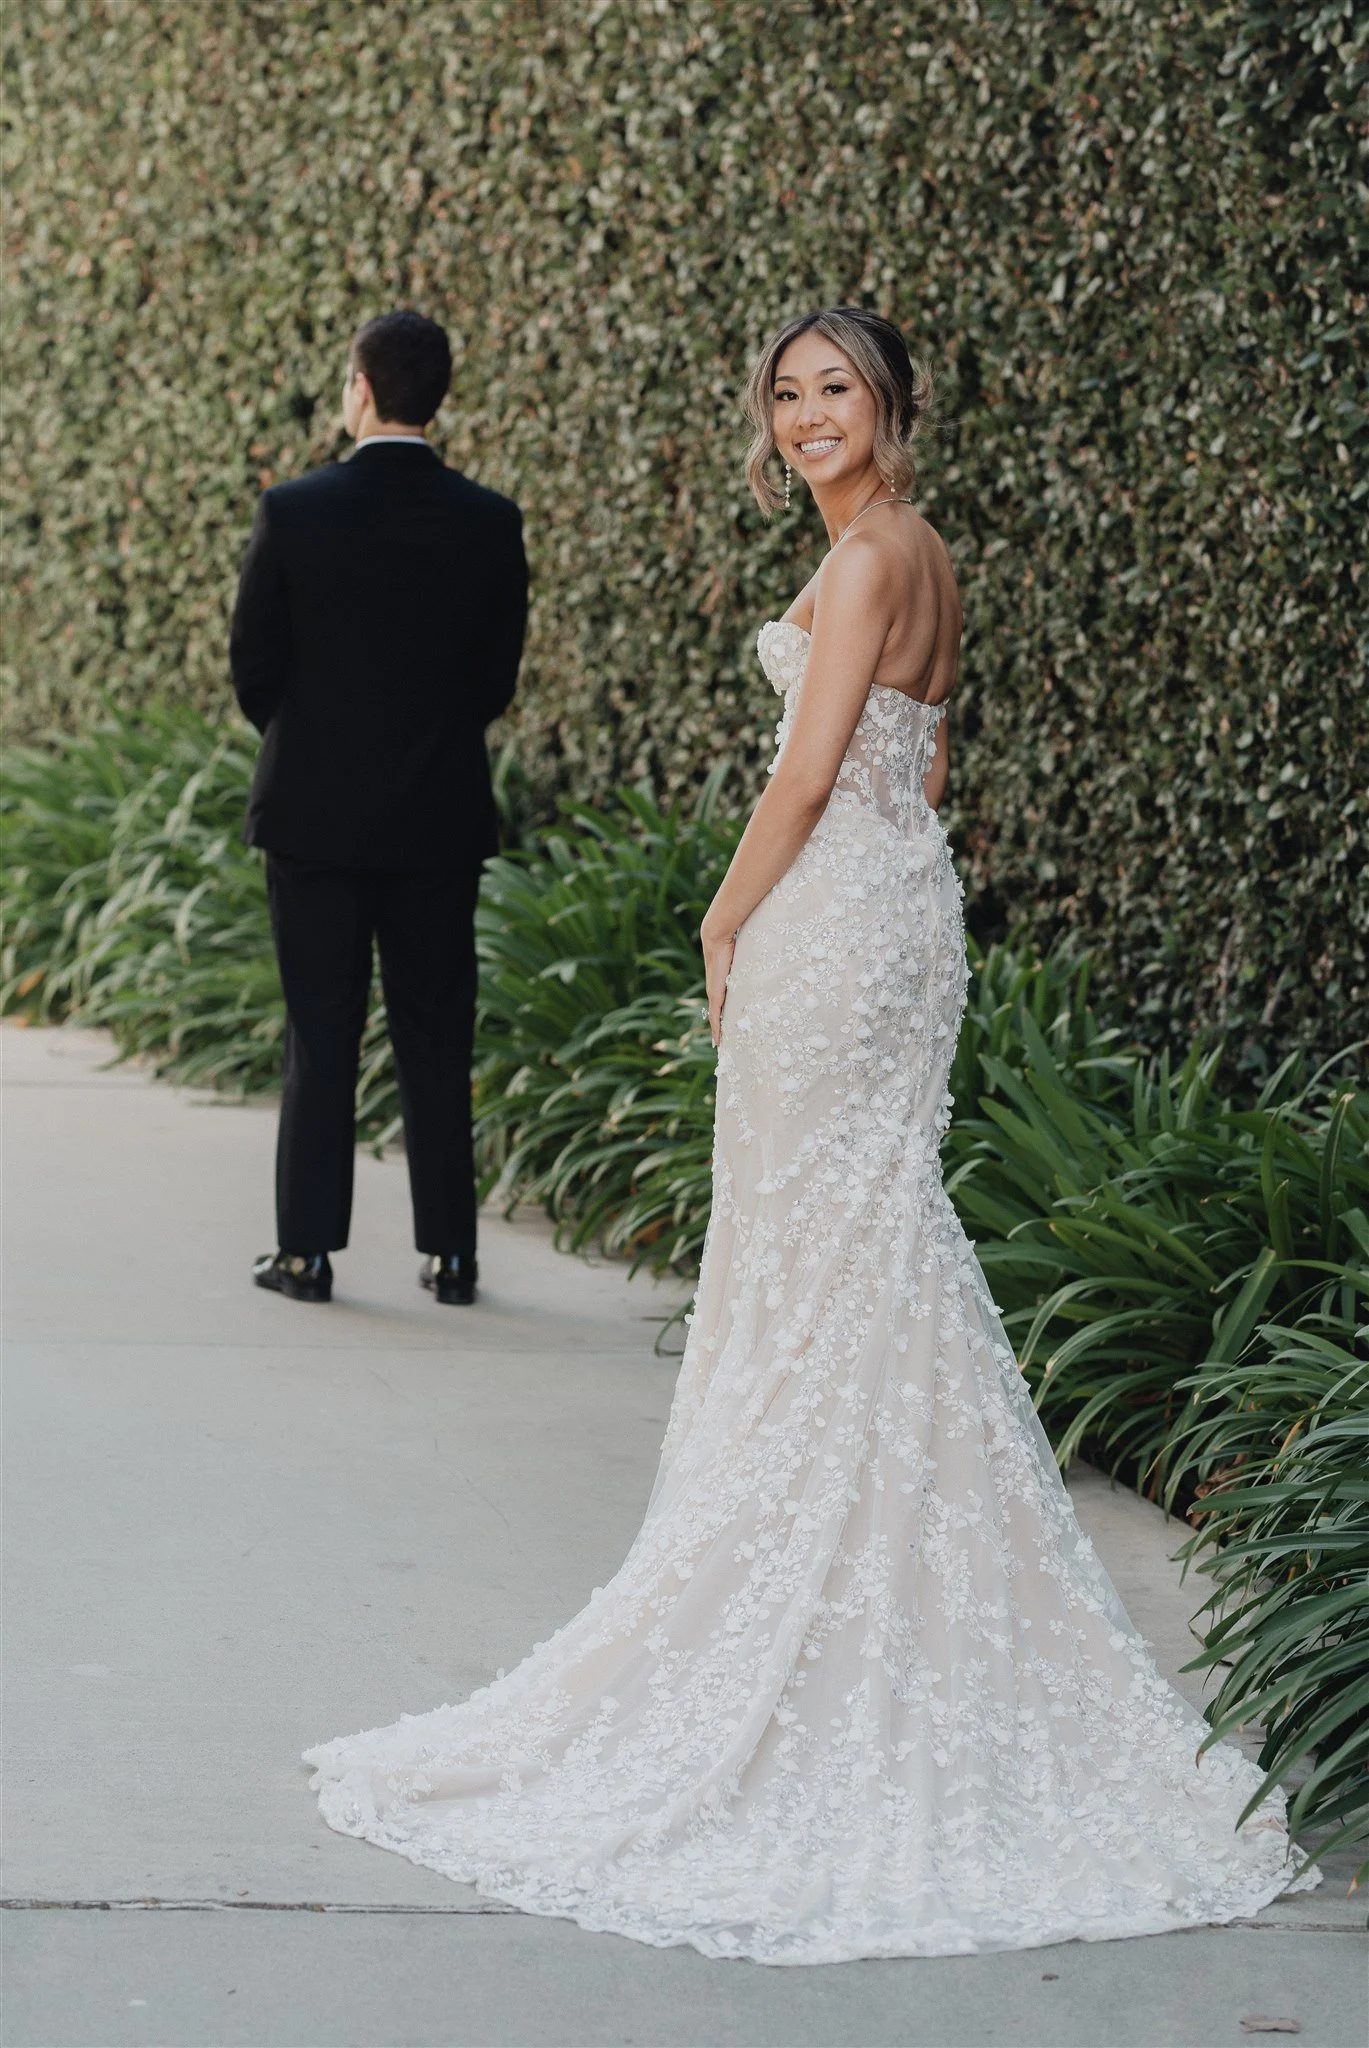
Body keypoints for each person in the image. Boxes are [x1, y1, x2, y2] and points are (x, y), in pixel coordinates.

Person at [303, 308, 1314, 1960]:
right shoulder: (921, 552)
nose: (802, 418)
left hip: (828, 921)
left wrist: (719, 923)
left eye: (830, 390)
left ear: (888, 402)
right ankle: (880, 1594)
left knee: (819, 1254)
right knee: (864, 1243)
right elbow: (917, 787)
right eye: (782, 395)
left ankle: (814, 1615)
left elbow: (806, 775)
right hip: (896, 910)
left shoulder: (858, 565)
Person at [230, 311, 527, 1307]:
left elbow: (254, 671)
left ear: (360, 386)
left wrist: (317, 741)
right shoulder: (490, 522)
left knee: (322, 1029)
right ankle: (452, 1256)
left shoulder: (293, 510)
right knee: (437, 1026)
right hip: (438, 818)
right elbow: (494, 680)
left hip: (313, 816)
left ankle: (307, 1254)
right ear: (436, 393)